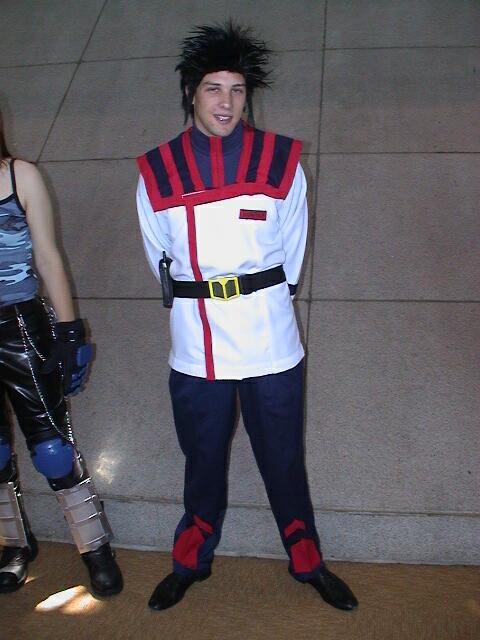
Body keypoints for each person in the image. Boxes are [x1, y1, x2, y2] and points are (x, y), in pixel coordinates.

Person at [136, 22, 358, 612]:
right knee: (202, 457)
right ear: (191, 92)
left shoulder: (281, 162)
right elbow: (159, 257)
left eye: (237, 90)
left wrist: (260, 301)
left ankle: (306, 559)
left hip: (270, 338)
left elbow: (293, 249)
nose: (226, 103)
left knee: (283, 457)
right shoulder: (157, 170)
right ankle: (191, 560)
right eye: (213, 88)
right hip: (197, 342)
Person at [0, 108, 123, 597]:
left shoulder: (19, 176)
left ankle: (94, 547)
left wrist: (70, 333)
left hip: (19, 325)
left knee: (52, 448)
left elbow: (48, 256)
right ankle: (14, 544)